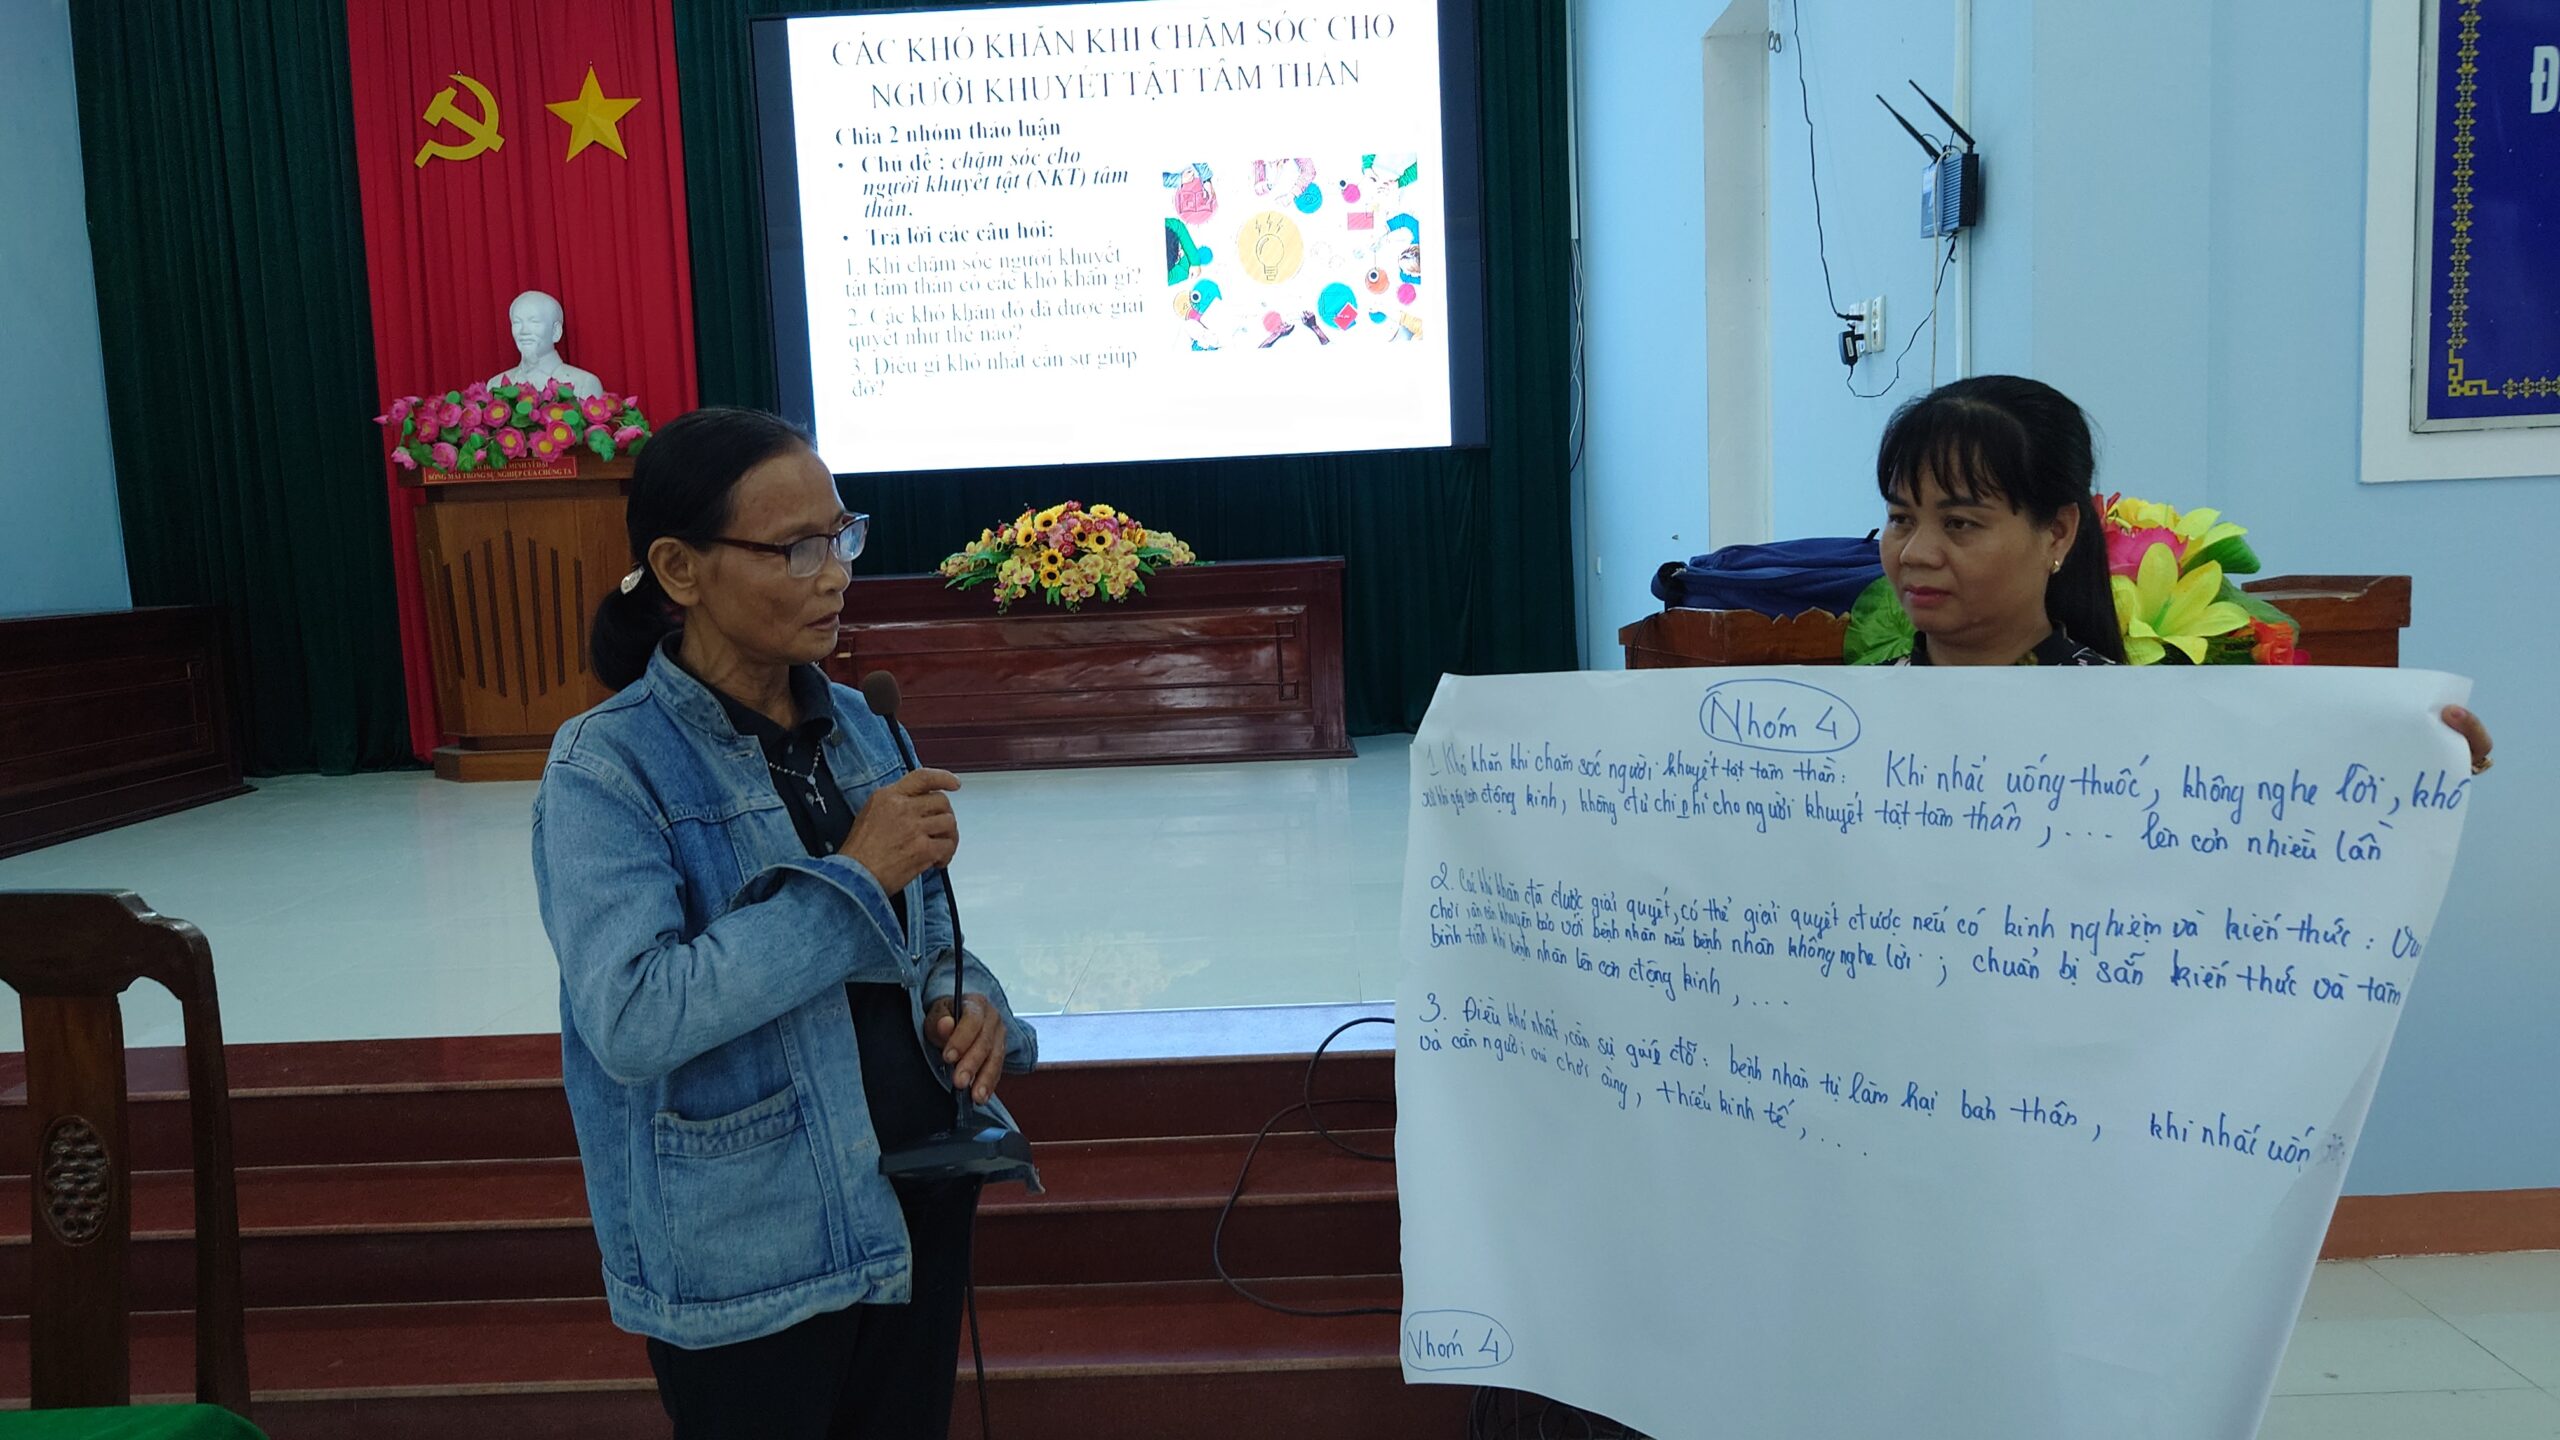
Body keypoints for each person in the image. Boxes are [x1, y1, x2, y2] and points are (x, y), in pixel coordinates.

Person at [531, 407, 1037, 1439]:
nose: (833, 573)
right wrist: (853, 876)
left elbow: (926, 938)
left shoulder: (862, 724)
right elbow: (634, 1018)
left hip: (909, 1206)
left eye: (842, 536)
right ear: (679, 569)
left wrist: (970, 1000)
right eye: (795, 548)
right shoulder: (606, 768)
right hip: (748, 1248)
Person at [1873, 376, 2494, 773]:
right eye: (1901, 519)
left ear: (2057, 532)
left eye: (1959, 523)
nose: (1916, 552)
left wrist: (2418, 766)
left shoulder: (2154, 728)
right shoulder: (1847, 722)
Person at [488, 289, 607, 397]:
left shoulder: (583, 383)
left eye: (534, 322)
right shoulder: (496, 385)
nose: (524, 331)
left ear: (556, 331)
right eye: (517, 322)